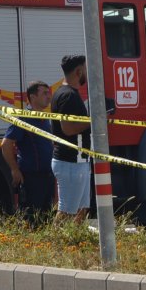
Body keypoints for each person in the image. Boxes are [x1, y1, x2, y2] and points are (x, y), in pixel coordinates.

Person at [0, 80, 56, 219]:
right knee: (31, 219)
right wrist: (14, 169)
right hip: (31, 178)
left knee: (46, 218)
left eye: (48, 93)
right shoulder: (23, 118)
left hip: (47, 176)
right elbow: (6, 145)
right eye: (44, 93)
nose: (48, 96)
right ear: (32, 97)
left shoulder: (45, 117)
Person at [51, 55, 91, 223]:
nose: (87, 74)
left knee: (82, 210)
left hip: (78, 161)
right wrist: (93, 122)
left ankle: (73, 245)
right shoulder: (68, 95)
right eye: (86, 70)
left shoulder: (69, 93)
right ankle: (54, 246)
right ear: (78, 71)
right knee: (66, 212)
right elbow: (66, 128)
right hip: (70, 162)